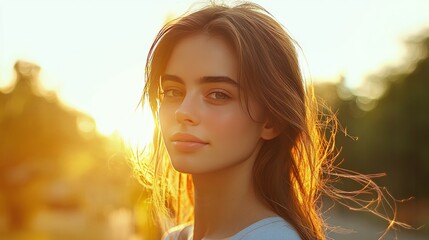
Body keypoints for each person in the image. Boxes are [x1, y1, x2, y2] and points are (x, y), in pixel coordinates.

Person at [136, 2, 401, 240]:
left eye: (218, 94)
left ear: (271, 121)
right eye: (173, 91)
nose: (184, 110)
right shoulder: (177, 237)